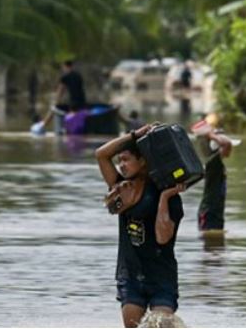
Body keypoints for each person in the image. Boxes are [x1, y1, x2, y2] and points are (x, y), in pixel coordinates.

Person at [95, 124, 186, 328]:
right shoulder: (119, 188)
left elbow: (163, 238)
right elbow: (101, 154)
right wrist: (136, 135)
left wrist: (164, 198)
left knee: (162, 324)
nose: (122, 166)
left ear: (143, 161)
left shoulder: (167, 195)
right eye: (120, 161)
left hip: (161, 277)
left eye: (126, 160)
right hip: (131, 275)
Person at [191, 114, 234, 234]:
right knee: (211, 248)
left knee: (215, 248)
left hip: (216, 212)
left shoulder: (216, 162)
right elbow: (227, 144)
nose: (229, 152)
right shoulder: (213, 162)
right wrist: (210, 134)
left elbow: (227, 145)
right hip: (209, 212)